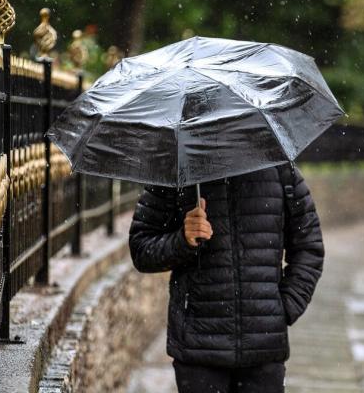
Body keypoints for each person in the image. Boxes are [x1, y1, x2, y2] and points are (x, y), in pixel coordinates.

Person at [129, 165, 324, 393]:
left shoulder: (280, 169)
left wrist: (284, 308)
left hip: (263, 349)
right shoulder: (177, 171)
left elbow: (309, 248)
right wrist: (183, 239)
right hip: (199, 348)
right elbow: (141, 249)